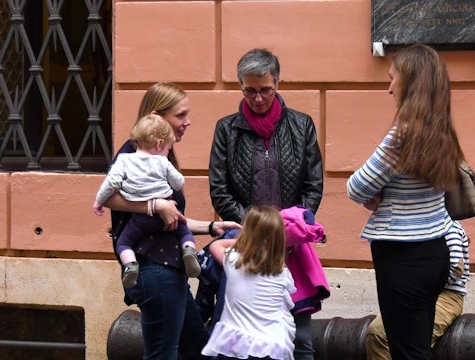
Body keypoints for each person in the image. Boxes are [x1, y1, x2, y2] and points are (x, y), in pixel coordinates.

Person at [102, 82, 241, 360]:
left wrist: (212, 227)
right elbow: (107, 197)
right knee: (163, 354)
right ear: (157, 116)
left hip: (170, 269)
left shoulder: (160, 155)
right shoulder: (133, 152)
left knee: (194, 349)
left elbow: (171, 219)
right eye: (181, 115)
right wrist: (155, 205)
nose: (187, 122)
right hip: (153, 270)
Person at [346, 44, 467, 360]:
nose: (389, 88)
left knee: (407, 354)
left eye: (392, 79)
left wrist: (378, 193)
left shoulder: (402, 136)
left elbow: (356, 187)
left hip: (403, 258)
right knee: (415, 349)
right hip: (435, 251)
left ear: (409, 82)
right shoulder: (441, 132)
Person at [208, 48, 324, 360]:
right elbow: (220, 191)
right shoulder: (226, 129)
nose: (258, 99)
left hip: (291, 247)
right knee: (236, 334)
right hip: (242, 243)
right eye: (250, 91)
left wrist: (289, 232)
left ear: (278, 83)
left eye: (265, 90)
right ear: (240, 87)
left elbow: (313, 188)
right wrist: (256, 234)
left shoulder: (302, 126)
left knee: (300, 337)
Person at [93, 114, 200, 289]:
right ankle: (188, 251)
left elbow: (111, 183)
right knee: (184, 233)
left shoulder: (124, 160)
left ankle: (131, 265)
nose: (168, 152)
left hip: (141, 219)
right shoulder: (163, 162)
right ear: (159, 144)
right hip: (168, 213)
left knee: (124, 242)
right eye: (169, 148)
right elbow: (179, 183)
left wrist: (99, 201)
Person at [201, 205, 296, 360]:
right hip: (271, 346)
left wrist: (248, 240)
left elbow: (215, 245)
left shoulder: (233, 262)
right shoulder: (282, 273)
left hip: (235, 346)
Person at [365, 221, 470, 360]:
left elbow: (456, 268)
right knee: (378, 333)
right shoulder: (409, 225)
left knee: (385, 335)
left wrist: (415, 281)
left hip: (446, 295)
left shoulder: (447, 225)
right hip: (415, 292)